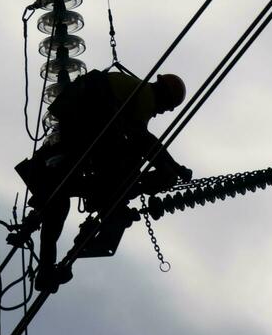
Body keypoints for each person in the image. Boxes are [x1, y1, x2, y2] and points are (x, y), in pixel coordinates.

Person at [15, 69, 191, 293]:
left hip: (75, 126)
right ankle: (110, 199)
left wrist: (171, 166)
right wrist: (172, 168)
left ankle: (46, 271)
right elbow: (144, 141)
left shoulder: (130, 90)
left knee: (57, 205)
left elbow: (140, 139)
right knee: (122, 171)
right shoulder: (145, 95)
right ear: (164, 98)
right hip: (87, 122)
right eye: (165, 109)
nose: (159, 114)